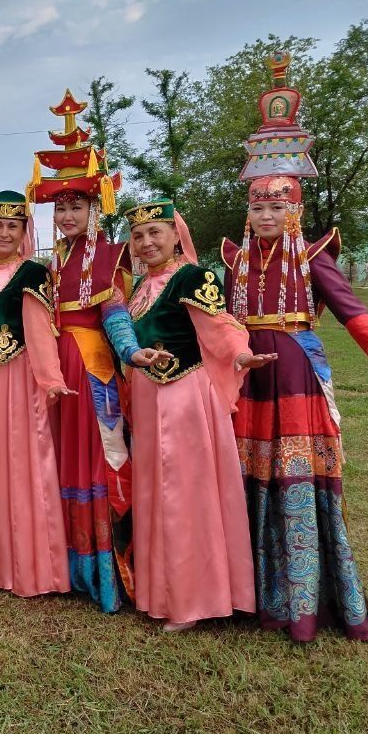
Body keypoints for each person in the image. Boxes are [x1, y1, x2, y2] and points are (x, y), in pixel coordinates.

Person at [223, 53, 368, 641]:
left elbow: (355, 315)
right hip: (248, 377)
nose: (266, 213)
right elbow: (219, 323)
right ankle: (251, 595)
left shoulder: (312, 257)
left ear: (296, 208)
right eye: (258, 204)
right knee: (250, 478)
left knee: (298, 480)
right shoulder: (234, 259)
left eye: (277, 204)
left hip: (297, 371)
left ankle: (305, 604)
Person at [28, 94, 166, 612]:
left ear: (94, 205)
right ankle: (62, 563)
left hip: (92, 369)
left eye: (76, 205)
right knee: (57, 459)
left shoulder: (110, 255)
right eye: (60, 207)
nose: (66, 214)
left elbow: (115, 315)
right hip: (52, 370)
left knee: (102, 459)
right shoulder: (47, 264)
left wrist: (130, 354)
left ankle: (108, 570)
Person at [125, 199, 272, 632]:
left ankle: (194, 599)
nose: (147, 242)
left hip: (186, 398)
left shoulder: (193, 276)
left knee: (186, 494)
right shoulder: (138, 290)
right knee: (157, 491)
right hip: (151, 401)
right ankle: (165, 592)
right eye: (138, 236)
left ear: (176, 235)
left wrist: (242, 355)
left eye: (156, 233)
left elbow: (221, 327)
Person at [0, 191, 72, 598]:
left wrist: (50, 379)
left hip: (19, 377)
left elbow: (39, 332)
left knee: (23, 465)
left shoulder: (32, 274)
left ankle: (30, 566)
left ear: (24, 230)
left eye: (12, 225)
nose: (4, 232)